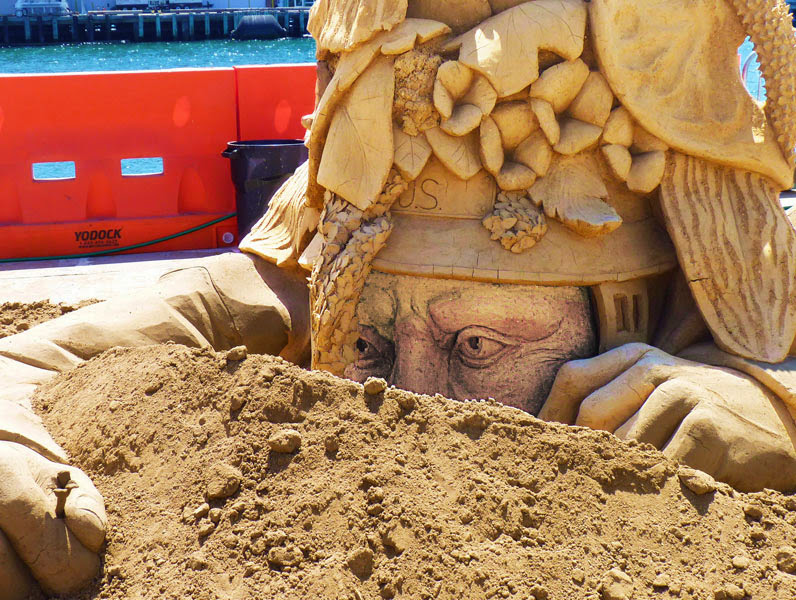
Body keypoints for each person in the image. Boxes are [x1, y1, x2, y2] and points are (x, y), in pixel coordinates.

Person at [4, 0, 796, 596]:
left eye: (478, 346)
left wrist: (766, 405)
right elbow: (40, 359)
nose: (407, 406)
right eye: (367, 346)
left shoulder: (705, 293)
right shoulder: (311, 287)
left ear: (630, 319)